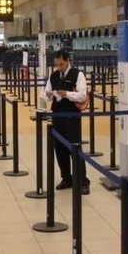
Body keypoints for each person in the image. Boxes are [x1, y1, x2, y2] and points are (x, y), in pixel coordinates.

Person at [44, 50, 90, 195]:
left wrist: (67, 94)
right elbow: (47, 94)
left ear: (68, 61)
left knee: (74, 148)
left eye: (61, 64)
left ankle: (82, 181)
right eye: (56, 64)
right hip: (57, 115)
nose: (59, 67)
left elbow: (82, 95)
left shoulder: (78, 75)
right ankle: (66, 178)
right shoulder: (53, 76)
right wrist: (48, 95)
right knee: (59, 148)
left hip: (72, 116)